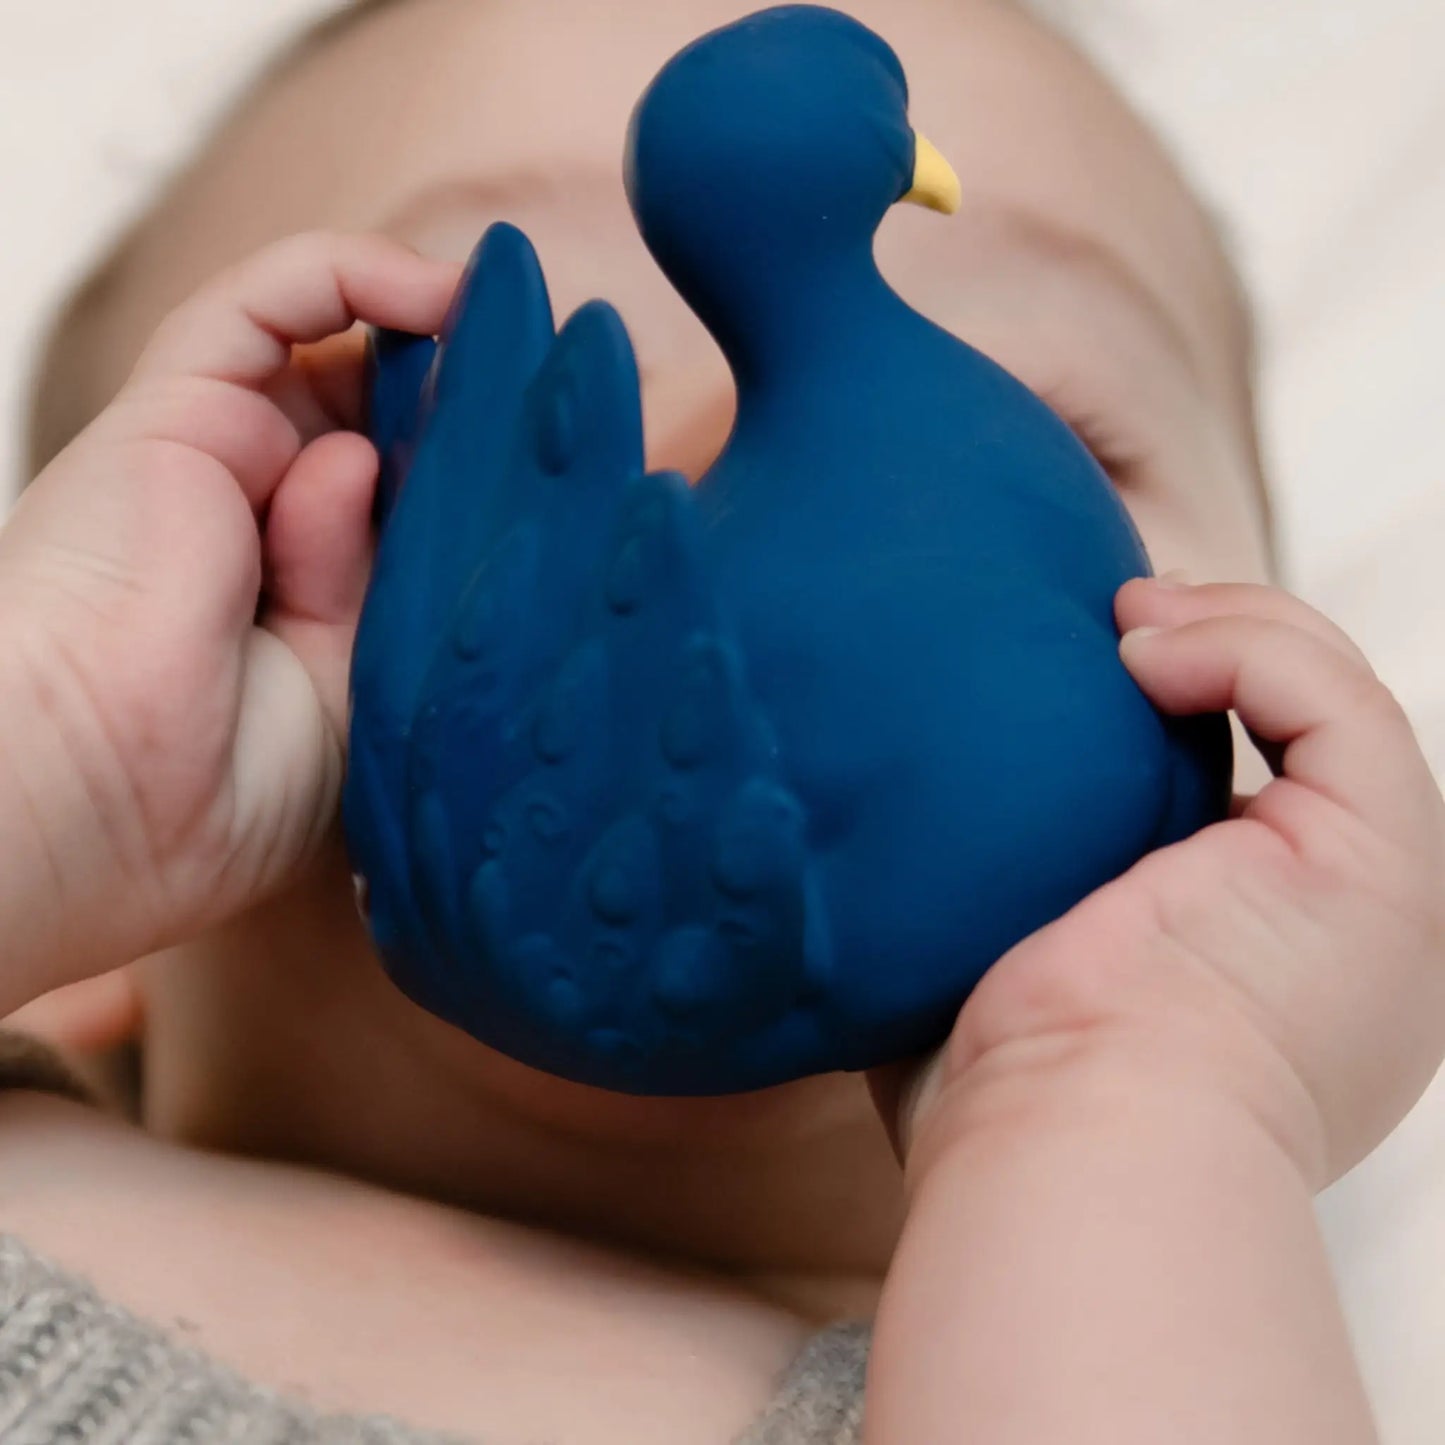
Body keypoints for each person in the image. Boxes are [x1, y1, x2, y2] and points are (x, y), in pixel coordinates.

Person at [2, 1, 1440, 1440]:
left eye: (1061, 415)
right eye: (448, 446)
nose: (679, 513)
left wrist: (1115, 1100)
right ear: (93, 966)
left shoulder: (1091, 1358)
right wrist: (60, 762)